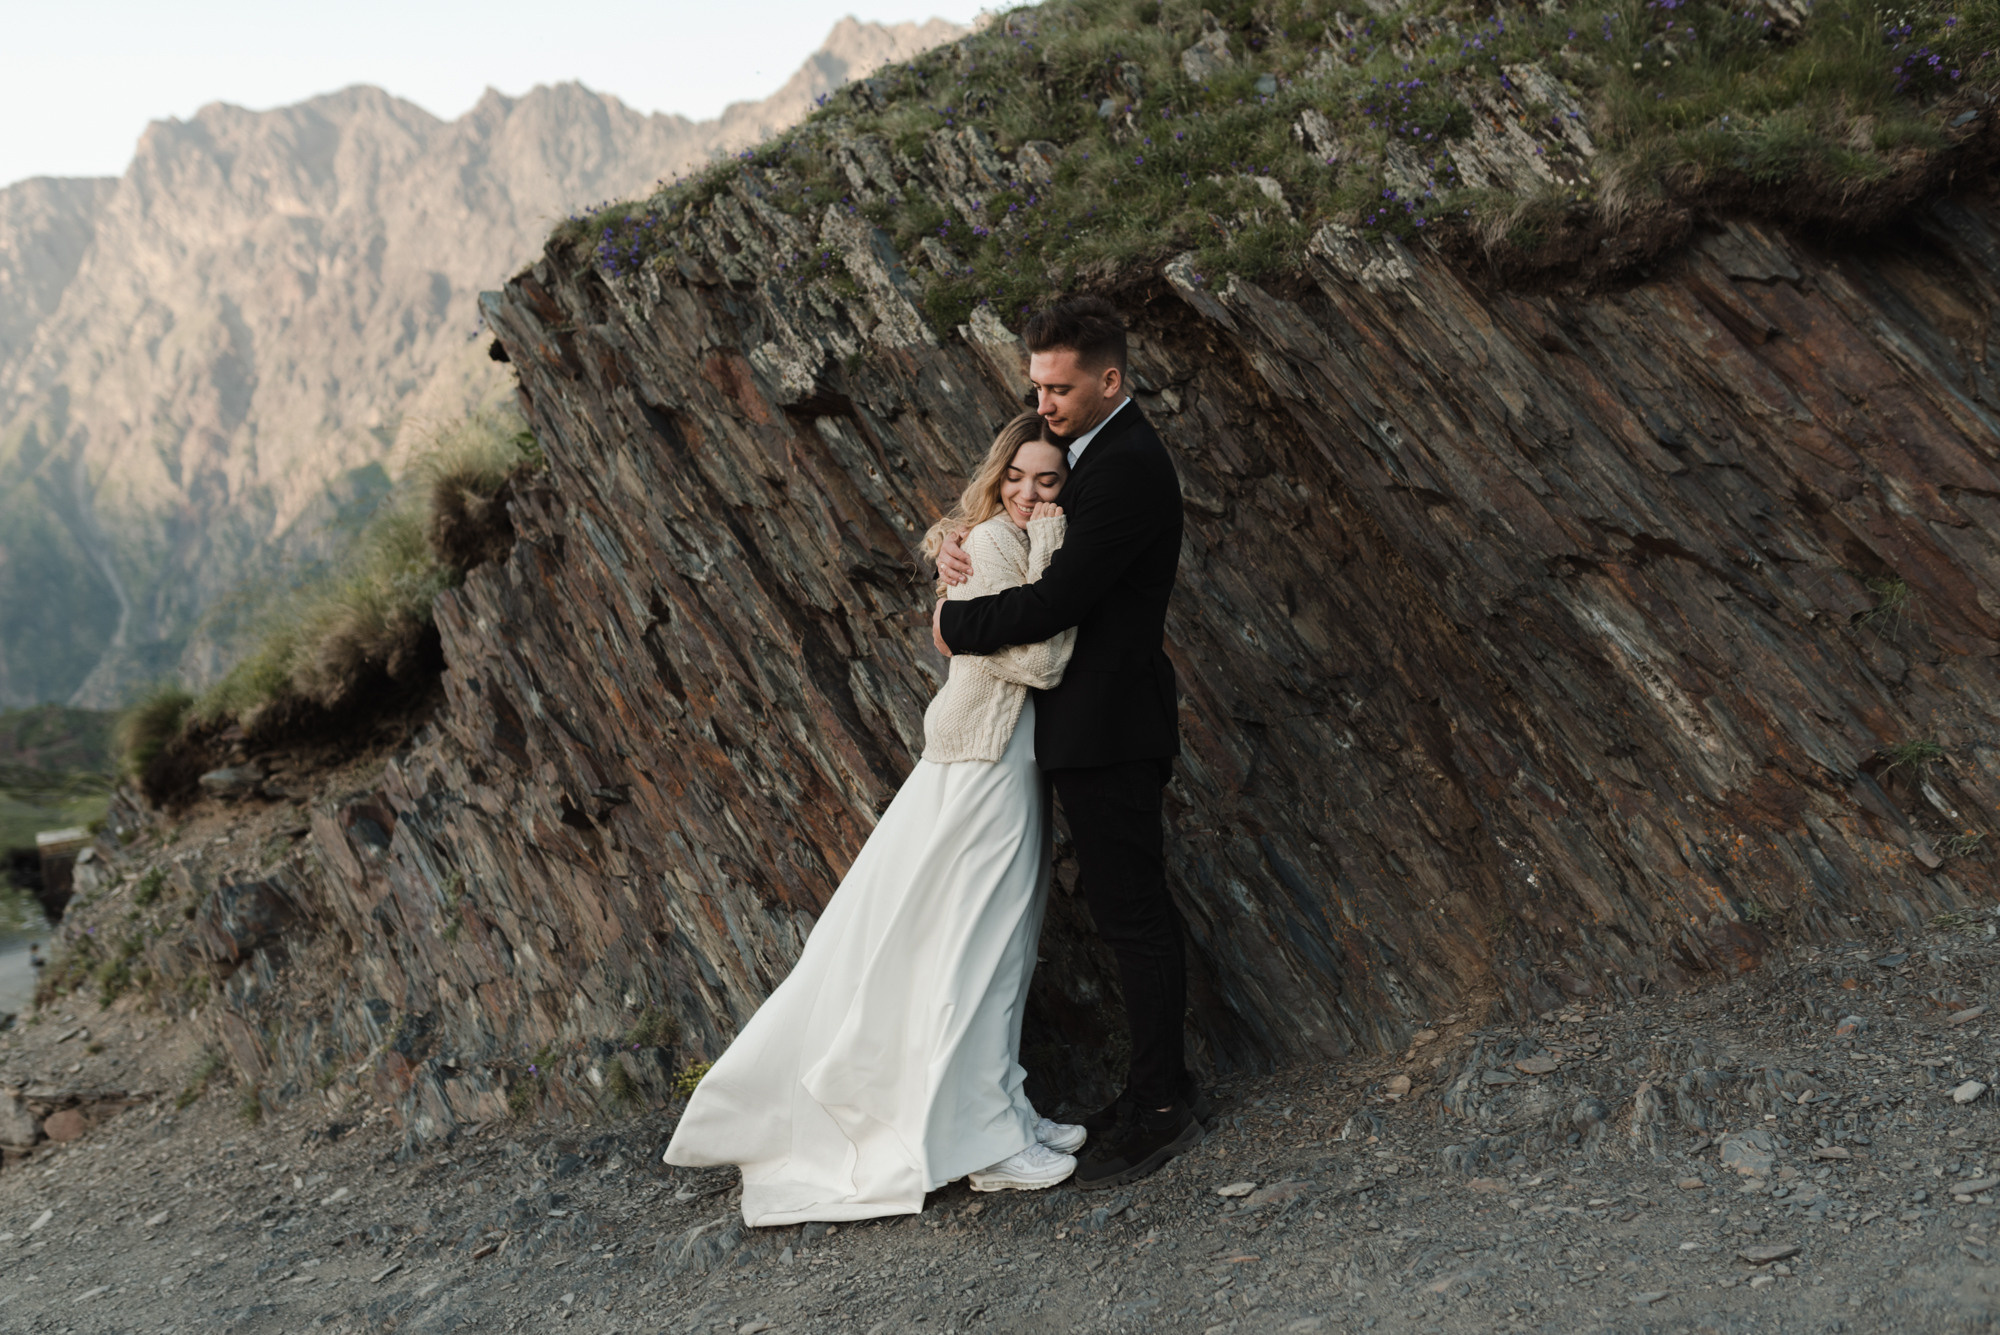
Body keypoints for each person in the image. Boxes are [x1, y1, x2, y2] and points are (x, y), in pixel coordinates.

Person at [665, 412, 1090, 1225]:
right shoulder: (999, 543)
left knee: (1000, 945)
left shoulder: (988, 540)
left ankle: (999, 1110)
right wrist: (1047, 544)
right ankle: (987, 1145)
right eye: (1018, 477)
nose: (1032, 494)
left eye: (1050, 481)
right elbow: (1041, 658)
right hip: (979, 765)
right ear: (997, 475)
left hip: (1000, 763)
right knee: (977, 949)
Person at [932, 294, 1202, 1192]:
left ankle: (1164, 1106)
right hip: (1090, 726)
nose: (1042, 401)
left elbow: (1057, 604)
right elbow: (1027, 536)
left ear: (1109, 380)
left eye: (1058, 385)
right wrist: (961, 547)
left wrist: (954, 621)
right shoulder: (1089, 455)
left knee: (1135, 917)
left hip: (1113, 726)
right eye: (1036, 384)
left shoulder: (1125, 466)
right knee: (1128, 915)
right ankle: (1147, 1093)